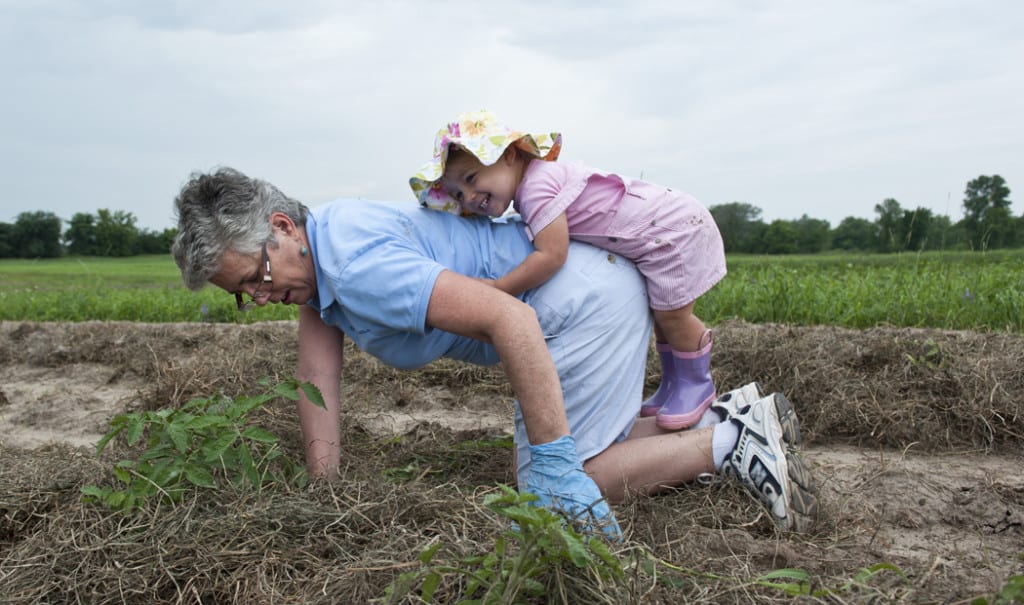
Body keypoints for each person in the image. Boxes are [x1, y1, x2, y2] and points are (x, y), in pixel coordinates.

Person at [171, 167, 817, 536]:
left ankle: (730, 446)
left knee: (561, 485)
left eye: (255, 276)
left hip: (575, 304)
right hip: (585, 288)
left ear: (283, 229)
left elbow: (510, 318)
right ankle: (722, 417)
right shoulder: (323, 269)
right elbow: (316, 376)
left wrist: (557, 467)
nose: (258, 297)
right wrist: (325, 497)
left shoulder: (356, 264)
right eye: (240, 294)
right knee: (573, 457)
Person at [410, 110, 726, 432]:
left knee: (673, 316)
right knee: (664, 317)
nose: (470, 197)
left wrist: (498, 287)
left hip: (671, 233)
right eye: (458, 194)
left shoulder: (536, 187)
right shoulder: (535, 182)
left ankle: (696, 384)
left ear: (507, 155)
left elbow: (551, 255)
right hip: (663, 229)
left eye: (472, 179)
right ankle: (675, 384)